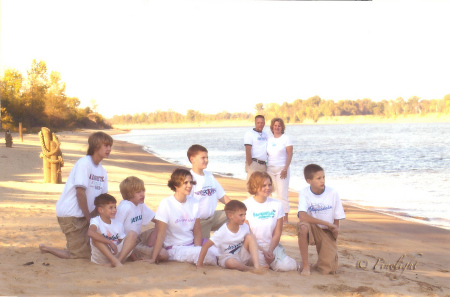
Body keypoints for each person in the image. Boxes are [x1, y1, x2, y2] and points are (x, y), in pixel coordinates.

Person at [39, 131, 113, 259]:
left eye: (110, 146)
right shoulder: (84, 163)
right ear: (96, 146)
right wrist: (89, 218)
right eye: (106, 145)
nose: (109, 149)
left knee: (96, 249)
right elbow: (80, 193)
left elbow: (102, 199)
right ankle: (47, 248)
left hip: (86, 216)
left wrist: (99, 219)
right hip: (71, 215)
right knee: (79, 255)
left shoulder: (102, 171)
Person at [148, 168, 216, 265]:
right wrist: (153, 259)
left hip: (193, 244)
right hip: (175, 247)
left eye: (191, 182)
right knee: (207, 254)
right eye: (185, 183)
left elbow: (197, 232)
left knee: (219, 250)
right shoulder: (166, 204)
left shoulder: (194, 202)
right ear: (176, 185)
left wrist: (197, 249)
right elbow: (161, 234)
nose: (189, 186)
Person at [243, 171, 298, 272]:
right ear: (255, 186)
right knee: (259, 261)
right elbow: (247, 234)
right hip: (254, 247)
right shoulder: (246, 205)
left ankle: (290, 262)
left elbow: (277, 233)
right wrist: (263, 251)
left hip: (272, 246)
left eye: (269, 185)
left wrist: (270, 250)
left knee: (285, 267)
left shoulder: (277, 204)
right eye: (263, 185)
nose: (268, 188)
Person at [297, 164, 345, 275]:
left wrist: (334, 237)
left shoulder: (333, 193)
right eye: (318, 178)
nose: (322, 181)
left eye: (323, 177)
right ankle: (305, 266)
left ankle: (320, 262)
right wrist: (325, 223)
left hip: (327, 231)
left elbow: (336, 221)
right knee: (303, 226)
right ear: (309, 181)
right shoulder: (304, 192)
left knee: (328, 270)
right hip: (312, 228)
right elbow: (302, 216)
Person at [197, 200, 263, 272]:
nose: (244, 218)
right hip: (227, 258)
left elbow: (253, 242)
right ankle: (249, 269)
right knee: (231, 263)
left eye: (245, 215)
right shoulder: (221, 232)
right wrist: (199, 265)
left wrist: (264, 251)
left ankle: (257, 266)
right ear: (230, 215)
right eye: (241, 215)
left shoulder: (245, 227)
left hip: (242, 255)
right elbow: (205, 246)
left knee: (251, 237)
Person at [115, 176, 168, 262]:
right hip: (127, 244)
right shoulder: (125, 208)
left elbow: (158, 220)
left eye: (143, 191)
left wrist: (153, 237)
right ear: (129, 194)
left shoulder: (140, 205)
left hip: (138, 238)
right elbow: (117, 235)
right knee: (163, 254)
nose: (142, 194)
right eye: (138, 192)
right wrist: (134, 258)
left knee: (164, 227)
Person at [187, 144, 230, 239]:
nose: (206, 160)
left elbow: (222, 196)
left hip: (213, 217)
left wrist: (236, 208)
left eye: (207, 157)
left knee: (236, 215)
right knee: (205, 250)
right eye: (203, 158)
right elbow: (185, 204)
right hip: (199, 222)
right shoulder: (189, 178)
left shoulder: (209, 175)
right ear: (192, 159)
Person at [88, 193, 135, 267]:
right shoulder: (96, 221)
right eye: (111, 208)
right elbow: (90, 232)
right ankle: (115, 262)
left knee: (132, 234)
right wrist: (109, 242)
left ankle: (116, 262)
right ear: (100, 210)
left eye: (115, 207)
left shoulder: (118, 224)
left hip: (116, 255)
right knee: (96, 237)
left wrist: (134, 258)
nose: (114, 210)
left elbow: (124, 242)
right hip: (101, 257)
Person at [266, 118, 293, 224]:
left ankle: (285, 218)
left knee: (282, 194)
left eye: (279, 126)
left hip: (282, 168)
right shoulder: (268, 139)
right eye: (275, 125)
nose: (277, 127)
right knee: (273, 193)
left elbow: (290, 154)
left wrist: (285, 168)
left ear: (282, 127)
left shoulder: (286, 138)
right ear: (272, 127)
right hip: (270, 169)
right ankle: (276, 216)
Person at [244, 115, 268, 181]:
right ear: (255, 123)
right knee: (253, 187)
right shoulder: (250, 134)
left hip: (263, 165)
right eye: (258, 123)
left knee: (262, 188)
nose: (260, 124)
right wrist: (250, 165)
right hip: (254, 163)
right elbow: (248, 150)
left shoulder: (265, 135)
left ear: (264, 123)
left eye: (262, 122)